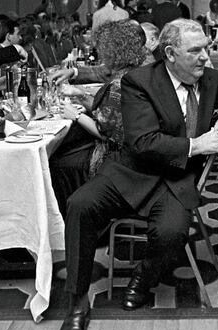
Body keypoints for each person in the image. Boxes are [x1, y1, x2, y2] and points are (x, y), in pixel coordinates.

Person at [58, 18, 218, 330]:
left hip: (176, 178)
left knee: (171, 234)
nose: (206, 57)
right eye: (195, 51)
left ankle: (144, 277)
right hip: (131, 170)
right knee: (79, 205)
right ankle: (77, 302)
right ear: (169, 53)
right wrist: (196, 145)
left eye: (206, 49)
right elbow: (141, 141)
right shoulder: (139, 81)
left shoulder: (213, 79)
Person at [50, 20, 148, 216]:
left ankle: (80, 219)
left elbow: (106, 133)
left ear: (113, 51)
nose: (101, 54)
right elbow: (108, 113)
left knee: (58, 162)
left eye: (103, 49)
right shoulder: (137, 71)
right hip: (136, 154)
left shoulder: (120, 84)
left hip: (116, 158)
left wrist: (75, 114)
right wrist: (80, 95)